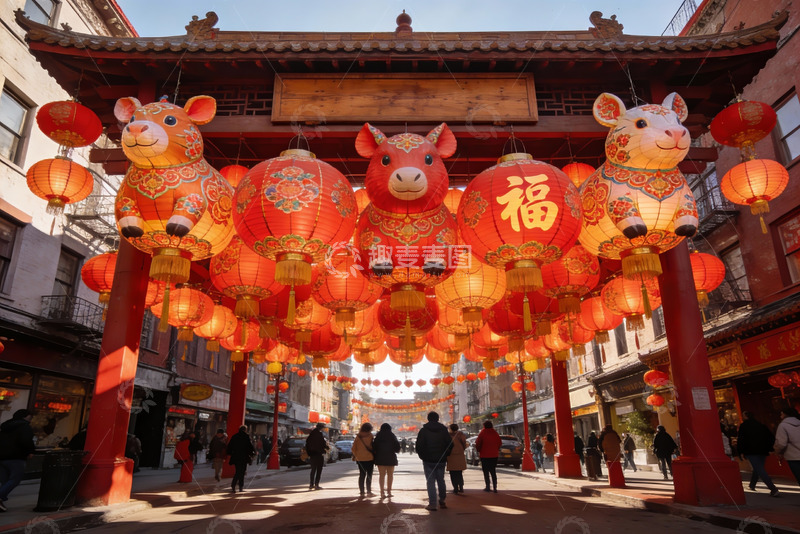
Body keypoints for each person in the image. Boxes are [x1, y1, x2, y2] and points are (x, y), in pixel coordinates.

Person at [416, 411, 452, 511]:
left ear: (428, 419)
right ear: (438, 418)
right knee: (441, 480)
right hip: (441, 460)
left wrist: (423, 456)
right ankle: (442, 500)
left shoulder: (424, 430)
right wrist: (445, 454)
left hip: (428, 460)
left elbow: (419, 446)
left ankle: (432, 504)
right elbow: (450, 444)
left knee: (430, 482)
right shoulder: (443, 430)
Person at [0, 409, 35, 512]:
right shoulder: (25, 427)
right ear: (25, 416)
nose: (31, 419)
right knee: (15, 479)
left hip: (2, 457)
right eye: (30, 416)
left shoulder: (5, 427)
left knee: (5, 481)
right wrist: (30, 451)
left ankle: (1, 501)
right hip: (16, 457)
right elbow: (26, 441)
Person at [737, 412, 779, 496]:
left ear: (745, 416)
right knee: (758, 468)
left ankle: (773, 488)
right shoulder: (761, 425)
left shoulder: (744, 426)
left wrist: (740, 451)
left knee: (759, 469)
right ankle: (752, 484)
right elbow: (770, 437)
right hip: (762, 450)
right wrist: (770, 448)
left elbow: (741, 439)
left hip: (750, 450)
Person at [373, 423, 400, 499]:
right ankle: (389, 491)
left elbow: (374, 447)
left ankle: (382, 492)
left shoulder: (378, 436)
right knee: (390, 475)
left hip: (380, 458)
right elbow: (397, 447)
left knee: (382, 475)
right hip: (391, 458)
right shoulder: (392, 436)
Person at [774, 407, 800, 486]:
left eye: (781, 413)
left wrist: (777, 452)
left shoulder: (783, 426)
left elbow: (781, 443)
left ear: (785, 414)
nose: (780, 416)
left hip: (793, 457)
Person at [226, 425, 255, 494]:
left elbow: (229, 447)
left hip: (236, 457)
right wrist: (252, 453)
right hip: (244, 457)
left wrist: (230, 453)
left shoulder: (234, 436)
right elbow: (249, 446)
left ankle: (233, 486)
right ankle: (240, 487)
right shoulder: (246, 437)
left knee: (238, 471)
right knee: (242, 472)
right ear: (245, 430)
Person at [475, 420, 502, 493]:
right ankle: (495, 487)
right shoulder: (495, 433)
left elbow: (478, 443)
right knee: (493, 471)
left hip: (484, 455)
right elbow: (499, 443)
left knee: (486, 471)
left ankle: (488, 486)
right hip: (494, 455)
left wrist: (478, 450)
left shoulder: (482, 433)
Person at [351, 422, 375, 496]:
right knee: (369, 475)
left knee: (362, 475)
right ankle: (369, 491)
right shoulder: (370, 436)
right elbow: (373, 447)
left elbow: (353, 448)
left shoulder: (358, 436)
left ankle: (362, 491)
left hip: (360, 459)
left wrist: (356, 455)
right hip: (370, 458)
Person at [446, 423, 467, 495]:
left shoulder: (448, 436)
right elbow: (464, 444)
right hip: (460, 454)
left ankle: (455, 488)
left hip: (451, 455)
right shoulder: (461, 435)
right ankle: (461, 487)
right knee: (459, 472)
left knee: (452, 473)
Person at [306, 423, 328, 490]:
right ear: (321, 428)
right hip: (319, 454)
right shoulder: (319, 434)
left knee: (313, 470)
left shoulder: (311, 434)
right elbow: (323, 444)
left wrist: (309, 453)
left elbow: (307, 444)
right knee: (318, 470)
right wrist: (326, 447)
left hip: (312, 455)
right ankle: (316, 484)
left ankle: (311, 484)